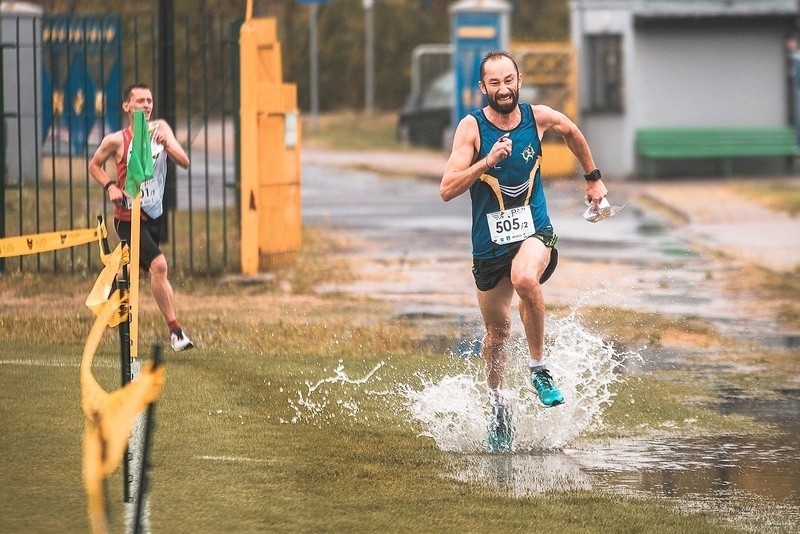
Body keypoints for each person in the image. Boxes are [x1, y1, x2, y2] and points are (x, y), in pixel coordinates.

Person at [440, 51, 608, 448]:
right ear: (483, 88)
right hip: (488, 246)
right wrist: (487, 161)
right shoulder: (472, 128)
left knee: (526, 278)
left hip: (536, 232)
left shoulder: (537, 118)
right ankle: (498, 407)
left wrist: (593, 179)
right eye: (494, 83)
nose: (503, 89)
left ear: (519, 80)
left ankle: (538, 369)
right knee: (496, 333)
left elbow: (571, 131)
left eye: (509, 80)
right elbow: (447, 189)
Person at [89, 83, 194, 352]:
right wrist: (111, 186)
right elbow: (94, 165)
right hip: (128, 218)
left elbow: (184, 161)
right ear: (127, 106)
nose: (146, 106)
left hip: (153, 216)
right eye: (140, 101)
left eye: (149, 101)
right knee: (159, 266)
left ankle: (111, 289)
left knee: (134, 272)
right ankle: (176, 332)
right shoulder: (116, 140)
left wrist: (167, 145)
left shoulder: (161, 129)